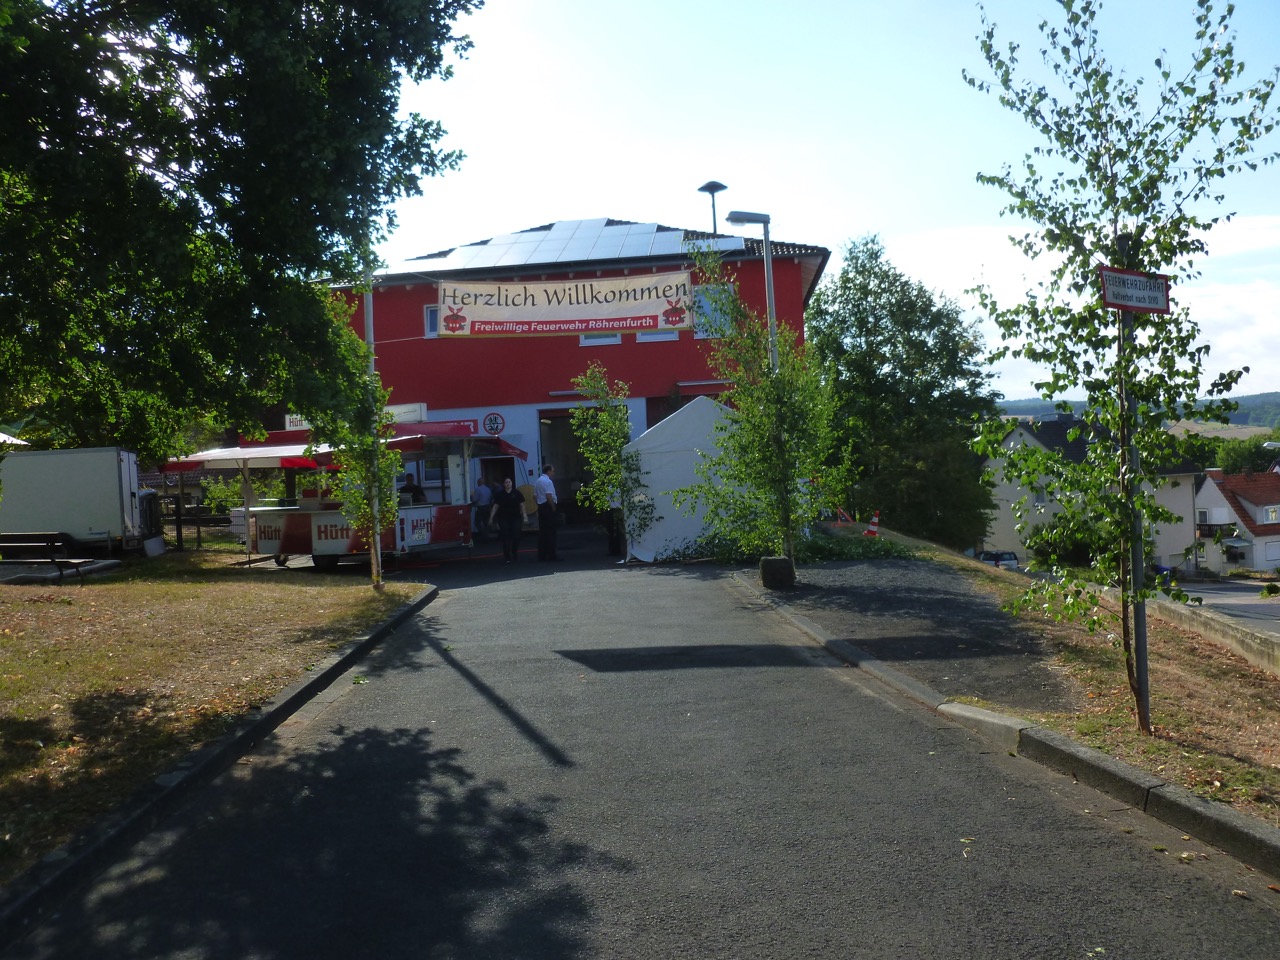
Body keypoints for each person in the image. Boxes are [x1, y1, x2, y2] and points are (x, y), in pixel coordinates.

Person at [488, 477, 527, 563]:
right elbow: (495, 507)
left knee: (516, 536)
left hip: (516, 518)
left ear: (512, 483)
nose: (508, 483)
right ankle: (507, 556)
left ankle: (514, 551)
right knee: (505, 537)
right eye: (506, 482)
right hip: (503, 518)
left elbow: (522, 505)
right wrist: (491, 518)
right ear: (503, 484)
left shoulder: (517, 493)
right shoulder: (500, 494)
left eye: (509, 482)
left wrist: (524, 515)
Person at [534, 463, 560, 560]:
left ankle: (542, 555)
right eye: (553, 471)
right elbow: (549, 496)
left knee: (543, 532)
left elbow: (534, 496)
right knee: (551, 532)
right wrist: (553, 508)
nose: (553, 473)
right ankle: (552, 555)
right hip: (548, 507)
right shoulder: (548, 482)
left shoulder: (538, 481)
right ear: (548, 471)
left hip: (541, 507)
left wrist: (538, 505)